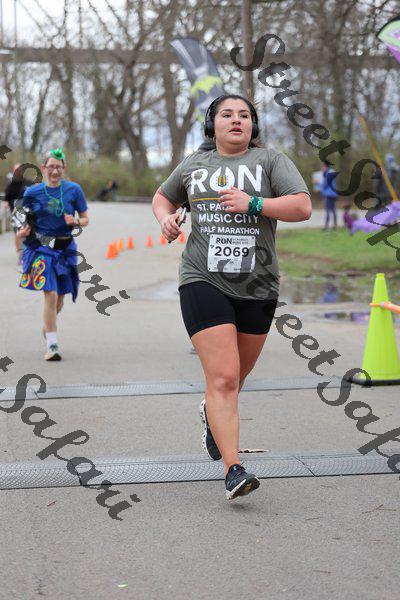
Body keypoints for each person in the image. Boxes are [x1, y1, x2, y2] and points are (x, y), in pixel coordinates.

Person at [152, 94, 311, 500]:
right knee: (223, 377)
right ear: (213, 125)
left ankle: (212, 412)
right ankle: (233, 469)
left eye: (244, 115)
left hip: (258, 284)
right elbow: (163, 196)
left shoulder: (271, 161)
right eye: (227, 114)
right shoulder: (195, 164)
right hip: (202, 278)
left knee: (236, 378)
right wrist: (167, 219)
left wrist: (254, 203)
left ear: (253, 126)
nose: (236, 120)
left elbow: (302, 207)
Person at [16, 148, 89, 361]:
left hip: (66, 249)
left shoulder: (74, 190)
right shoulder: (32, 193)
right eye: (51, 167)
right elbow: (21, 218)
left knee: (60, 299)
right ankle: (52, 345)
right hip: (42, 248)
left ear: (64, 168)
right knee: (51, 294)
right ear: (43, 168)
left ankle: (48, 327)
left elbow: (86, 218)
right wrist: (21, 230)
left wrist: (76, 221)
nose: (55, 171)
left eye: (58, 167)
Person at [2, 163, 33, 271]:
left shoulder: (28, 182)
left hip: (28, 213)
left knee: (28, 233)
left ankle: (28, 253)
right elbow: (6, 199)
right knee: (18, 234)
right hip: (15, 214)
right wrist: (5, 203)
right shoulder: (10, 185)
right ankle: (21, 255)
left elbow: (35, 194)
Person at [321, 160, 338, 231]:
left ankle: (326, 227)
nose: (322, 168)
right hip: (334, 194)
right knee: (334, 210)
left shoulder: (328, 173)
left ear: (326, 166)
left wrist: (317, 184)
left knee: (328, 210)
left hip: (328, 194)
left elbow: (325, 185)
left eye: (323, 167)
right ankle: (335, 226)